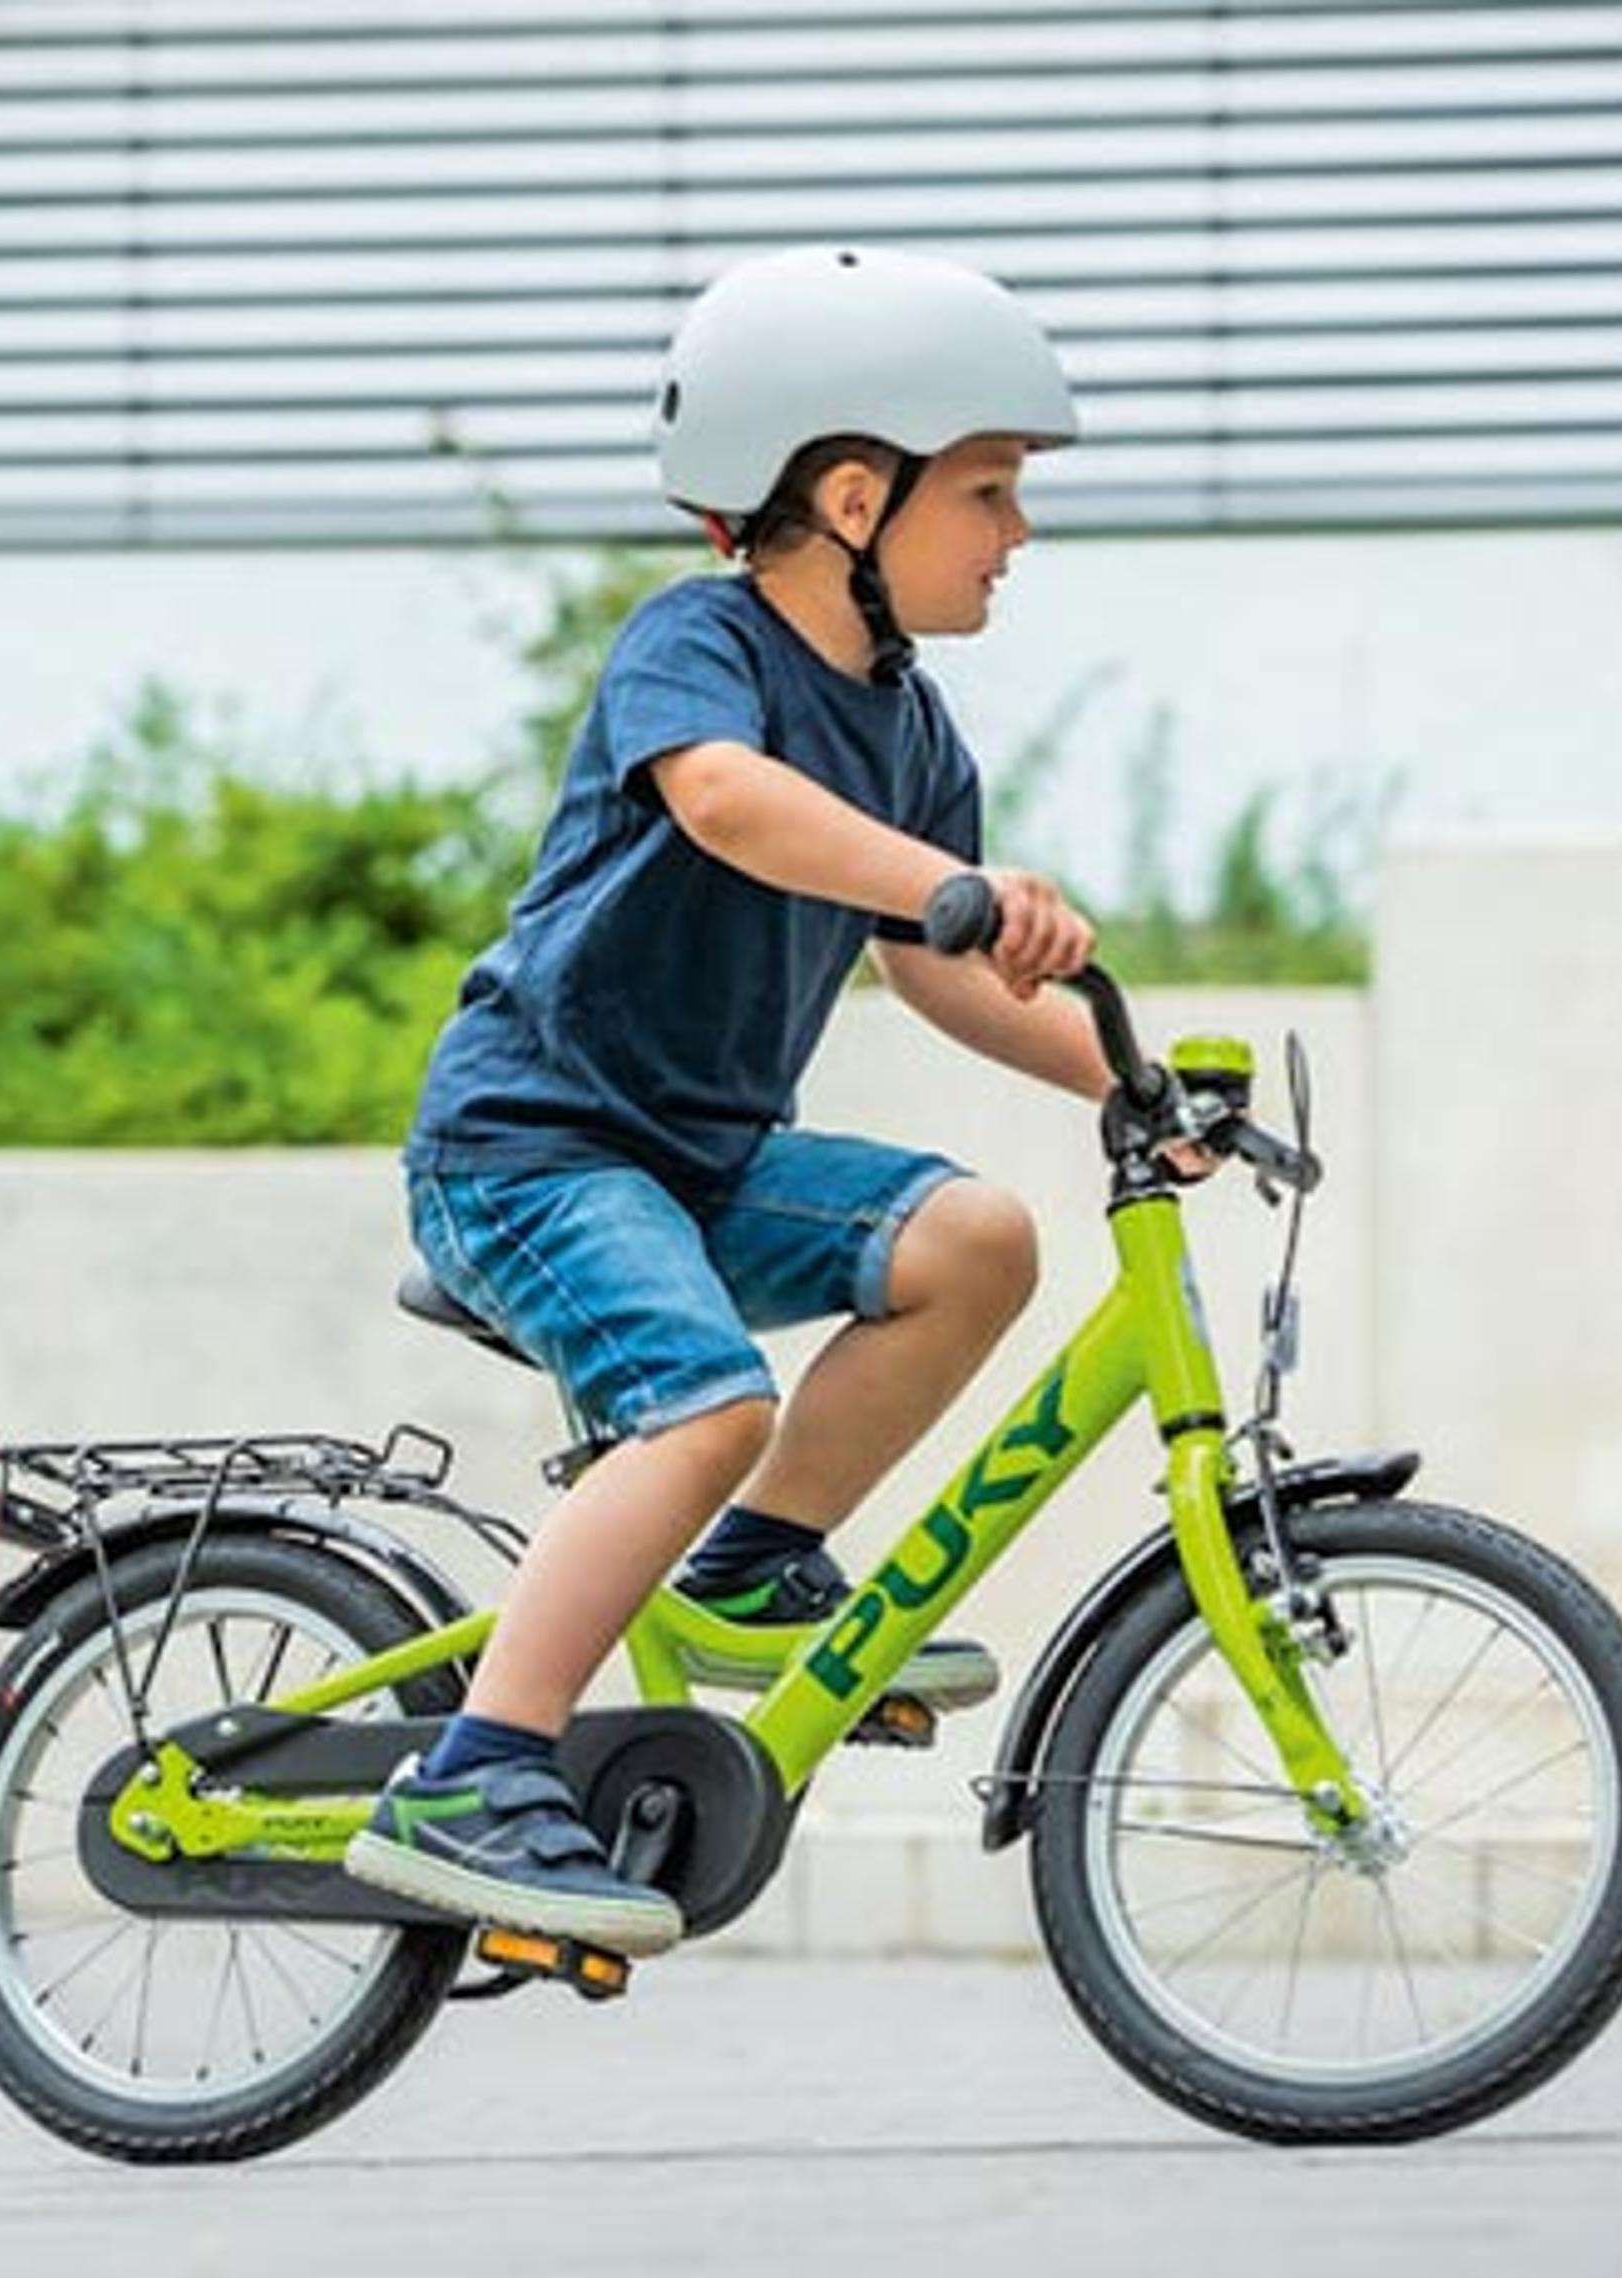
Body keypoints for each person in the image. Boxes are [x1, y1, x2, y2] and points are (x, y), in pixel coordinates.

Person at [345, 244, 1169, 1958]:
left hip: (704, 1163)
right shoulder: (694, 644)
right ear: (855, 496)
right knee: (701, 1408)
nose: (1019, 536)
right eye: (993, 493)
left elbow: (927, 965)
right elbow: (725, 804)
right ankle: (473, 1771)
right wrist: (950, 884)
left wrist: (1134, 1078)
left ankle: (751, 1566)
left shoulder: (911, 729)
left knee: (975, 1240)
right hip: (534, 1146)